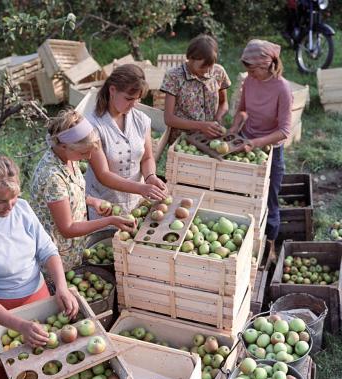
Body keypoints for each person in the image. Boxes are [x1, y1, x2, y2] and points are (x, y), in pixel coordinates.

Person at [0, 156, 79, 379]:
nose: (10, 206)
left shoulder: (22, 209)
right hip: (3, 316)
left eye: (14, 197)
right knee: (14, 374)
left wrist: (61, 288)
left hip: (39, 298)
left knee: (49, 369)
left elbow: (47, 250)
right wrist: (20, 326)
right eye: (0, 201)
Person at [30, 109, 136, 272]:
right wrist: (110, 221)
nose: (88, 157)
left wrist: (92, 201)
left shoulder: (68, 159)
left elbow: (69, 192)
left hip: (74, 249)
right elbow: (67, 229)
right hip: (58, 256)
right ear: (64, 146)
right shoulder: (52, 177)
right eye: (84, 152)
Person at [229, 39, 293, 261]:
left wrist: (257, 143)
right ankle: (244, 243)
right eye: (247, 69)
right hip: (247, 143)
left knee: (269, 198)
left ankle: (270, 245)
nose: (249, 73)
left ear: (267, 64)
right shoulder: (249, 81)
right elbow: (242, 110)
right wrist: (233, 129)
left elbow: (284, 131)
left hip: (270, 150)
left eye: (253, 68)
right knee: (243, 194)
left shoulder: (282, 89)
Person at [85, 63, 167, 220]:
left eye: (137, 99)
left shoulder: (141, 120)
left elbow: (147, 157)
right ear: (112, 90)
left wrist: (150, 176)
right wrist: (141, 188)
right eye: (129, 98)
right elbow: (103, 174)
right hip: (105, 206)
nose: (134, 104)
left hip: (137, 203)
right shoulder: (93, 125)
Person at [160, 34, 231, 143]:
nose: (207, 70)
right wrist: (201, 126)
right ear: (190, 57)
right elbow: (169, 118)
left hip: (210, 138)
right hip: (182, 140)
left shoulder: (218, 72)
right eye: (203, 66)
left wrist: (217, 119)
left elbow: (224, 103)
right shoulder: (174, 76)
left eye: (210, 65)